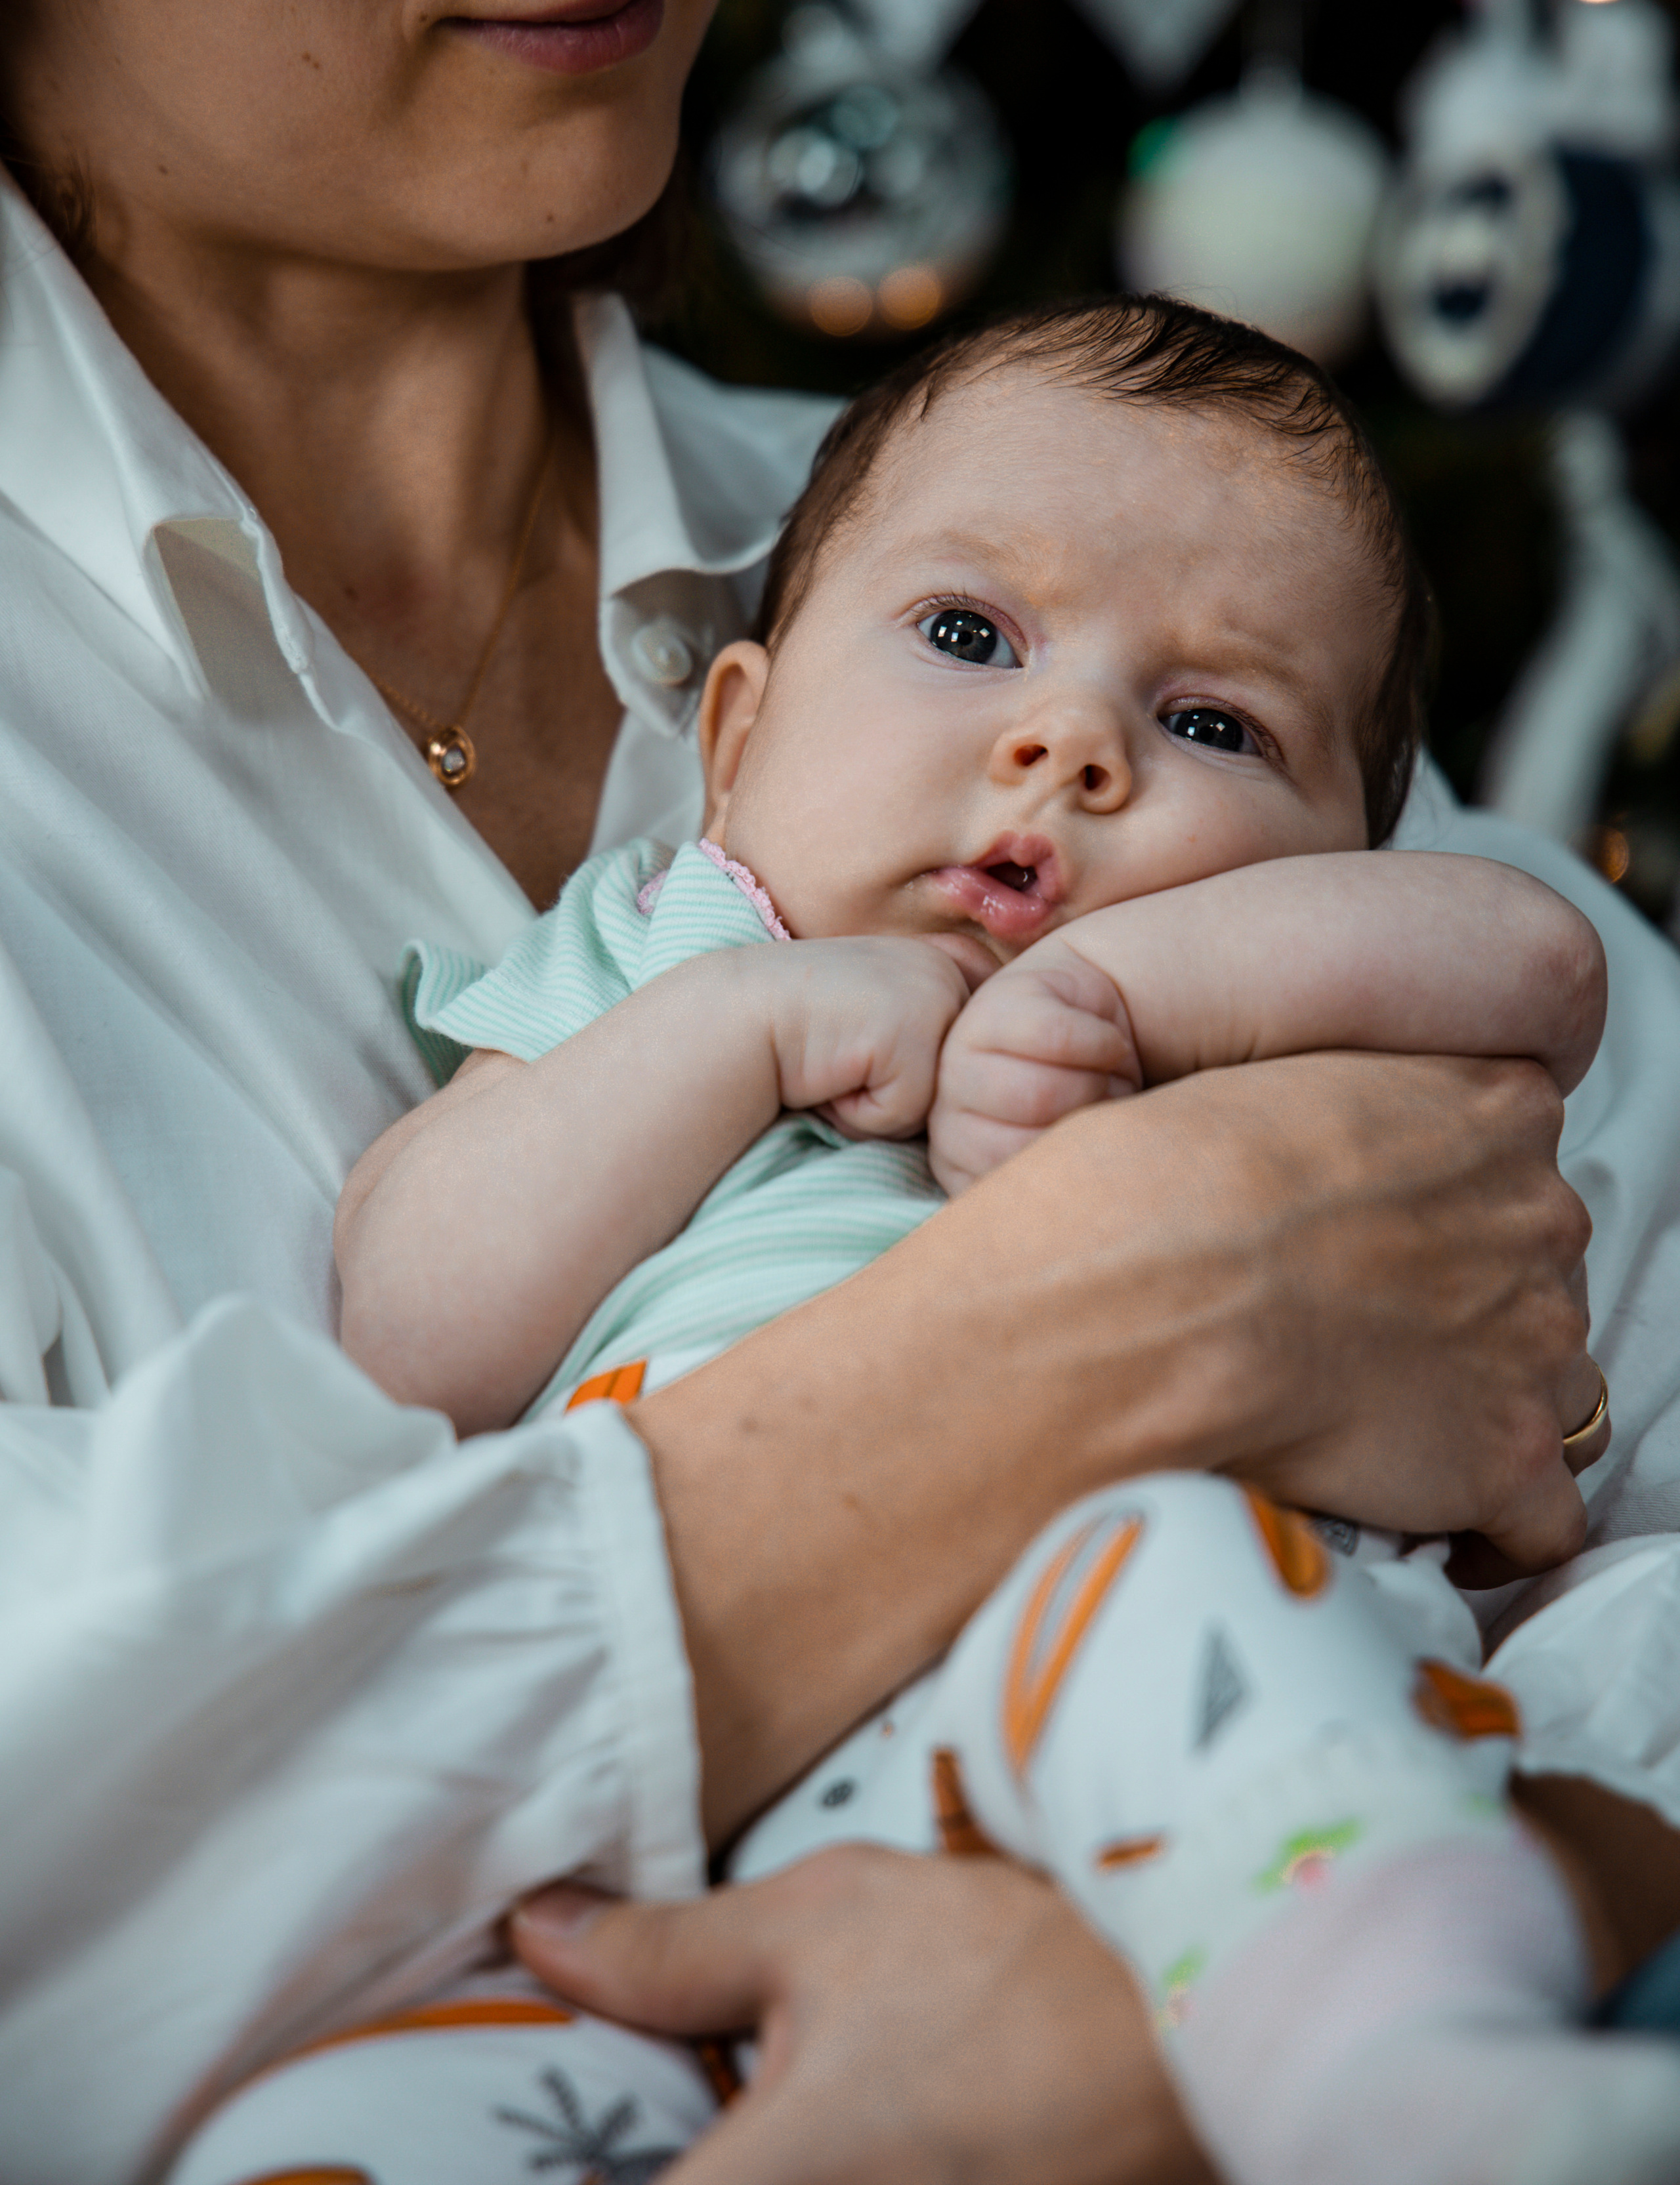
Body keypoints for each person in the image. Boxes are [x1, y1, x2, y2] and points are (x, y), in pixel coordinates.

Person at [0, 0, 1672, 2182]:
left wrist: (1447, 1917)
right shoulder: (782, 821)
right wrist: (1132, 1316)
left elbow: (1565, 1060)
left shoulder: (1073, 531)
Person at [171, 297, 1672, 2185]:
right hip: (669, 1843)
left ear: (1338, 862)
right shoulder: (678, 953)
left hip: (1181, 1732)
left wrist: (1121, 999)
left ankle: (1413, 2079)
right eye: (969, 637)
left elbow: (1539, 961)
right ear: (738, 736)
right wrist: (747, 1030)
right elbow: (404, 1326)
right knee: (316, 2125)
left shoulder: (1277, 1013)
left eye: (1211, 722)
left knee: (1164, 1569)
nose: (1068, 744)